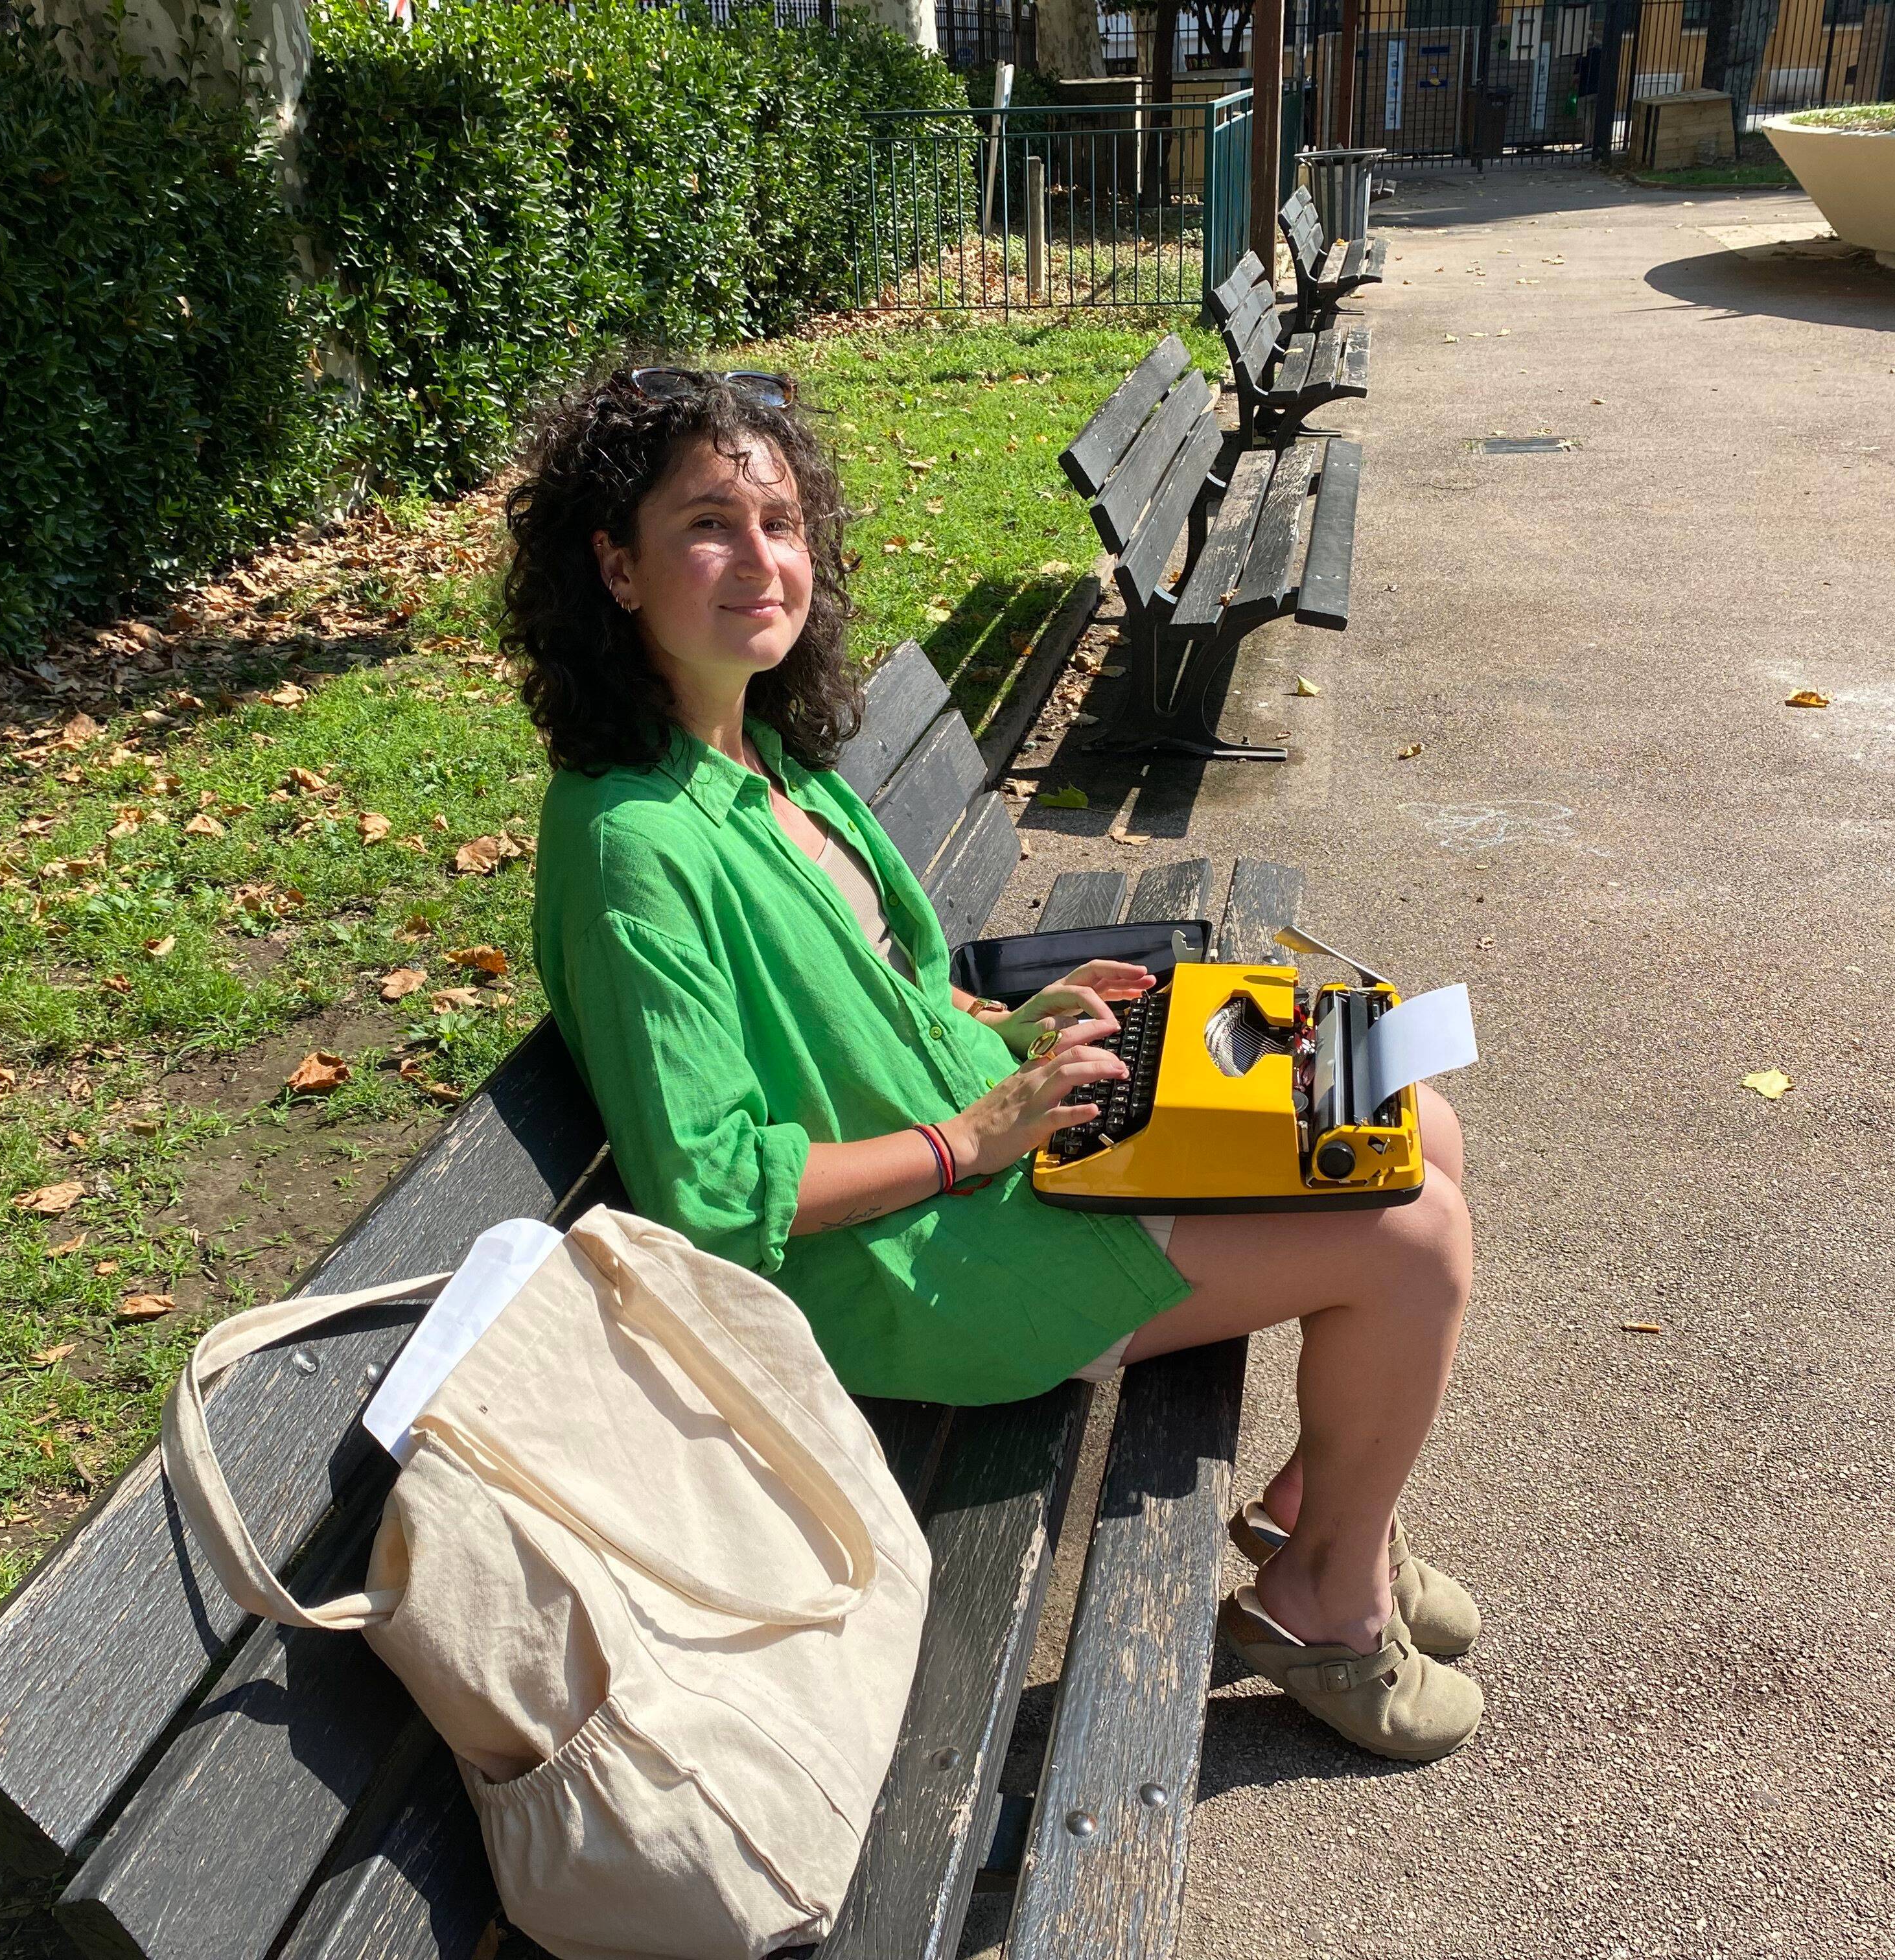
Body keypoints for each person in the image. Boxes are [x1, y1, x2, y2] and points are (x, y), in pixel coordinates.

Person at [515, 362, 1483, 1763]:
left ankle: (1333, 1516)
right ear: (616, 566)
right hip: (907, 1271)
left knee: (1403, 1112)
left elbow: (885, 1001)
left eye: (781, 522)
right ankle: (1323, 1601)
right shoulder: (631, 848)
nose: (762, 560)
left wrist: (1011, 1027)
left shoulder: (770, 761)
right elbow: (712, 1195)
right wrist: (972, 1138)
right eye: (708, 526)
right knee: (1408, 1236)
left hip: (985, 1169)